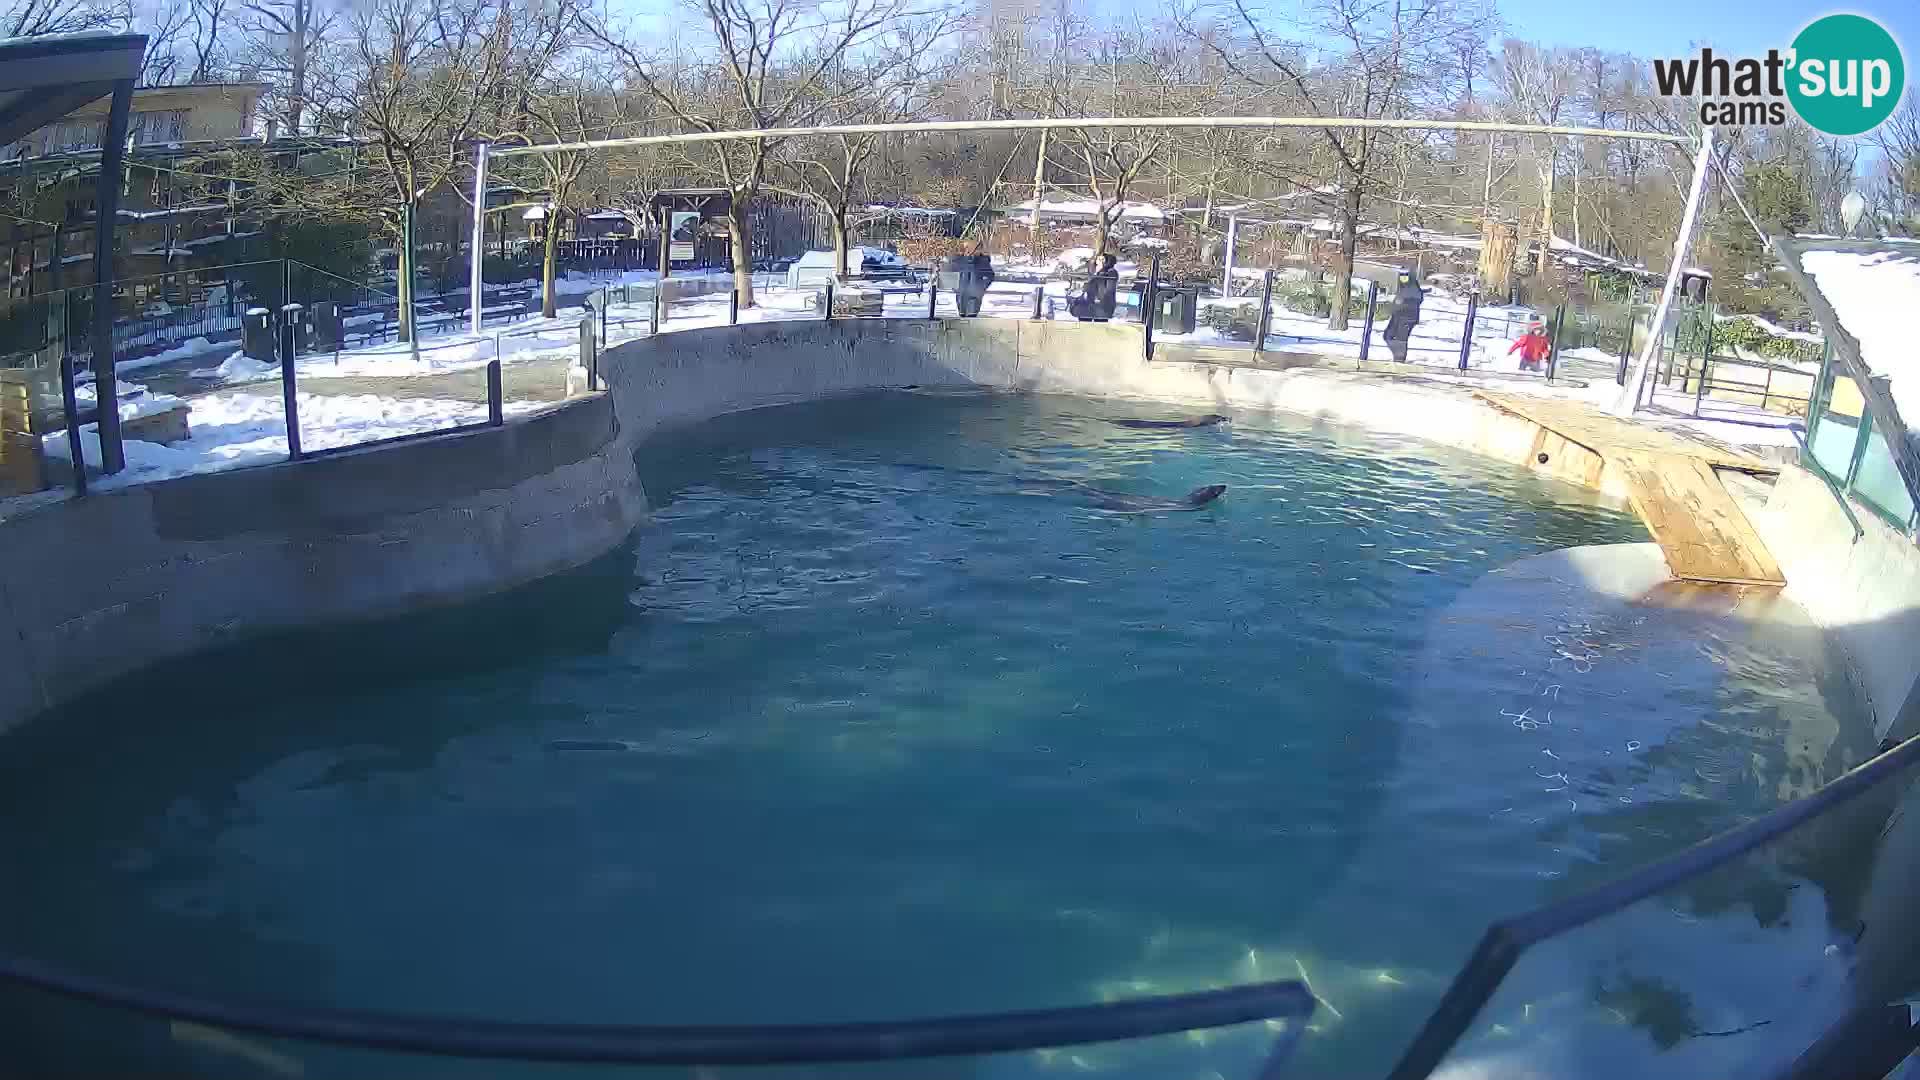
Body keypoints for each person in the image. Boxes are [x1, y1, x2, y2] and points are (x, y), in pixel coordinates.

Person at [1383, 269, 1423, 363]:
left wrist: (1401, 303)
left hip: (1407, 317)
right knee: (1388, 335)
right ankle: (1398, 356)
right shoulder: (1403, 287)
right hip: (1398, 315)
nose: (1403, 279)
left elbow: (1415, 300)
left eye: (1405, 277)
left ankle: (1399, 359)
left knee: (1400, 339)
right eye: (1401, 277)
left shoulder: (1413, 288)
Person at [1071, 254, 1119, 322]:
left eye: (1102, 260)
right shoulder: (1096, 272)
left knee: (1099, 324)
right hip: (1090, 305)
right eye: (1098, 259)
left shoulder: (1111, 273)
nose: (1097, 262)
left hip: (1102, 306)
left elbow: (1109, 290)